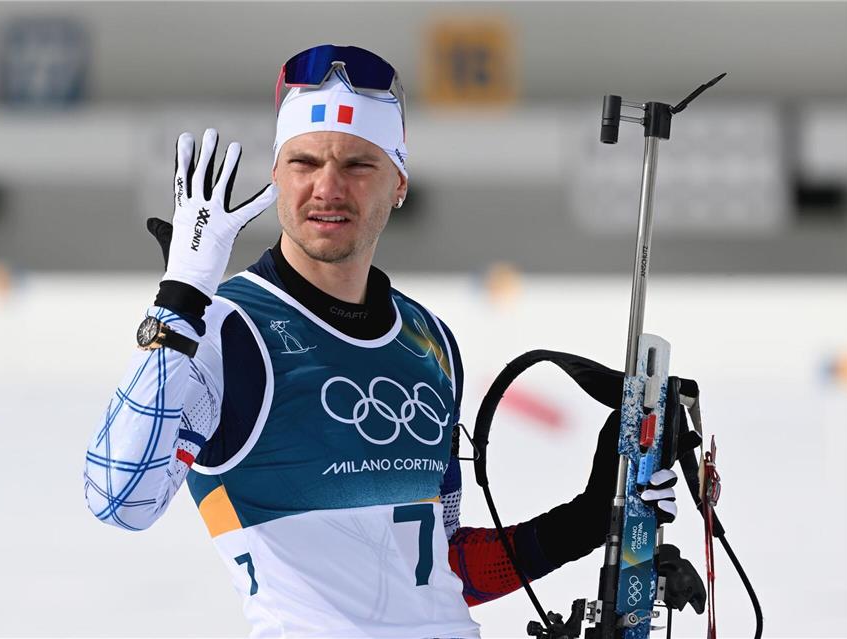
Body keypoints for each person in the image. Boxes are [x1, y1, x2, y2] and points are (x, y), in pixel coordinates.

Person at [84, 44, 677, 638]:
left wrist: (585, 521)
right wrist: (182, 298)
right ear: (275, 177)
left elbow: (440, 569)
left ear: (398, 183)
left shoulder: (428, 340)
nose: (327, 187)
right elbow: (119, 500)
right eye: (304, 162)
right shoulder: (223, 330)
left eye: (357, 165)